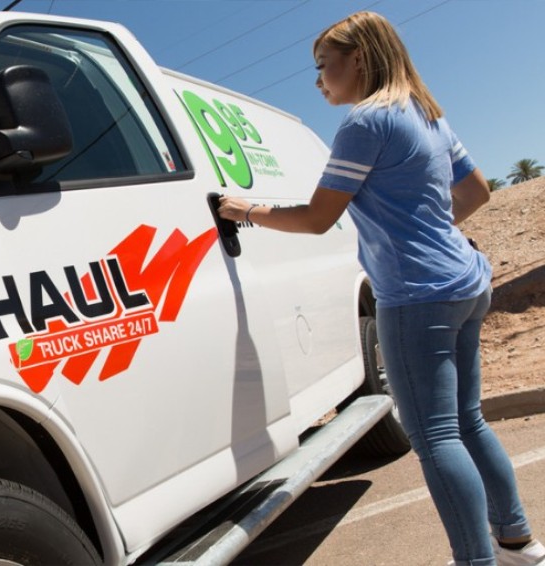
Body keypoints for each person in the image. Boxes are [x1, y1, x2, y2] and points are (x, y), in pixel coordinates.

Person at [218, 11, 543, 566]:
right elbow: (477, 191)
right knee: (467, 421)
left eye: (324, 66)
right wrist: (428, 233)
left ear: (360, 59)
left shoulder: (365, 123)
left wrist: (244, 210)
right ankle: (517, 542)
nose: (318, 81)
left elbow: (317, 218)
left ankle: (476, 560)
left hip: (418, 296)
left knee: (435, 437)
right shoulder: (426, 114)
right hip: (466, 281)